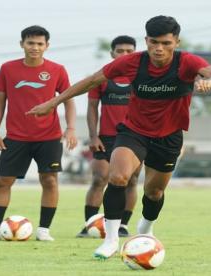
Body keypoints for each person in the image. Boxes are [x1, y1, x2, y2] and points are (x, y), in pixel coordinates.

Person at [26, 15, 211, 257]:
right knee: (118, 177)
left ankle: (146, 227)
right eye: (154, 42)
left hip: (169, 137)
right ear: (146, 40)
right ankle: (111, 240)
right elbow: (92, 81)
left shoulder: (187, 62)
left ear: (176, 41)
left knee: (154, 192)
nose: (159, 49)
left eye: (166, 43)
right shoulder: (132, 62)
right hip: (134, 132)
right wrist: (54, 102)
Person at [0, 25, 77, 242]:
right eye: (30, 43)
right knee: (2, 182)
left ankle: (44, 230)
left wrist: (71, 128)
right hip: (16, 137)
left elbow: (69, 101)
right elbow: (0, 102)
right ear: (22, 44)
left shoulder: (57, 70)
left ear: (46, 46)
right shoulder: (8, 68)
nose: (35, 47)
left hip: (49, 137)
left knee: (50, 181)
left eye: (39, 44)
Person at [76, 35, 141, 238]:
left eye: (129, 51)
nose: (124, 54)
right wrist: (93, 136)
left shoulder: (142, 77)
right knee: (99, 179)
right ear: (112, 53)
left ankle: (122, 226)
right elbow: (92, 108)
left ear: (135, 53)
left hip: (135, 138)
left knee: (130, 182)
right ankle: (90, 224)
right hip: (106, 138)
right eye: (120, 51)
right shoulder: (102, 76)